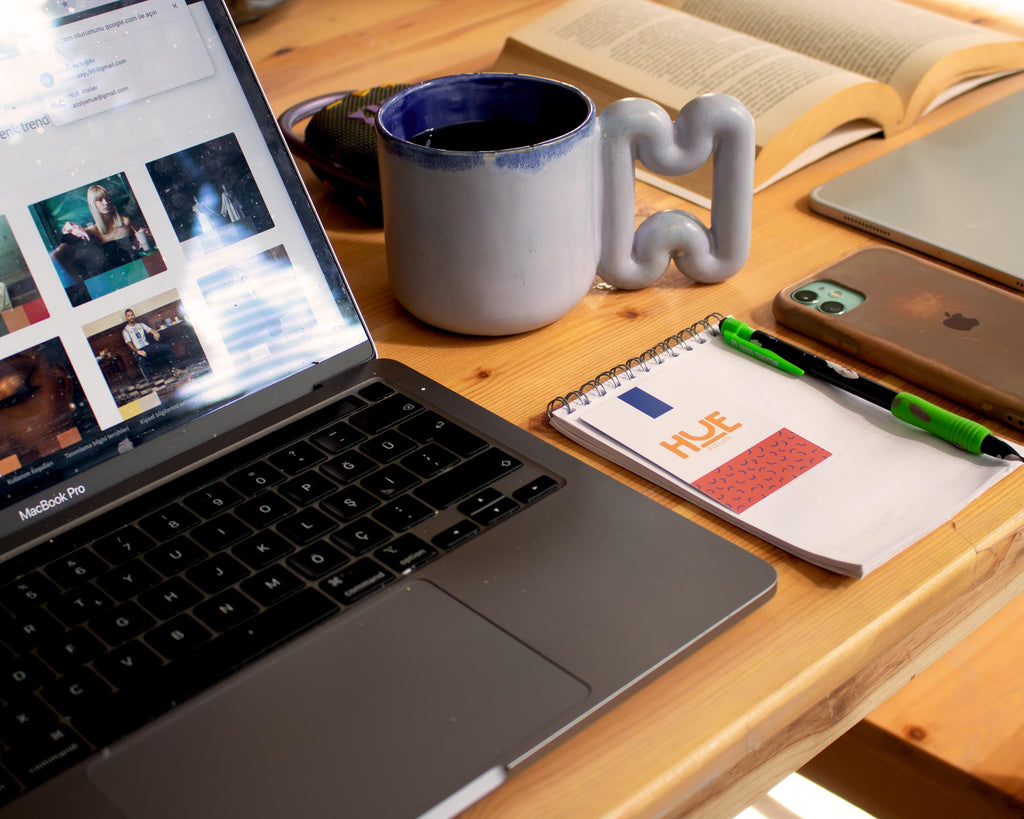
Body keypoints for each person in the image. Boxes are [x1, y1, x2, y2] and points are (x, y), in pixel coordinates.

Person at [122, 308, 178, 382]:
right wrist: (138, 351)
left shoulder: (141, 325)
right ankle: (150, 381)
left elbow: (152, 330)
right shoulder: (125, 330)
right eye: (129, 316)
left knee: (166, 347)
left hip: (147, 346)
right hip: (138, 349)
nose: (131, 317)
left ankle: (176, 368)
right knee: (141, 360)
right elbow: (129, 343)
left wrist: (155, 333)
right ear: (127, 317)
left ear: (134, 315)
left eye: (132, 315)